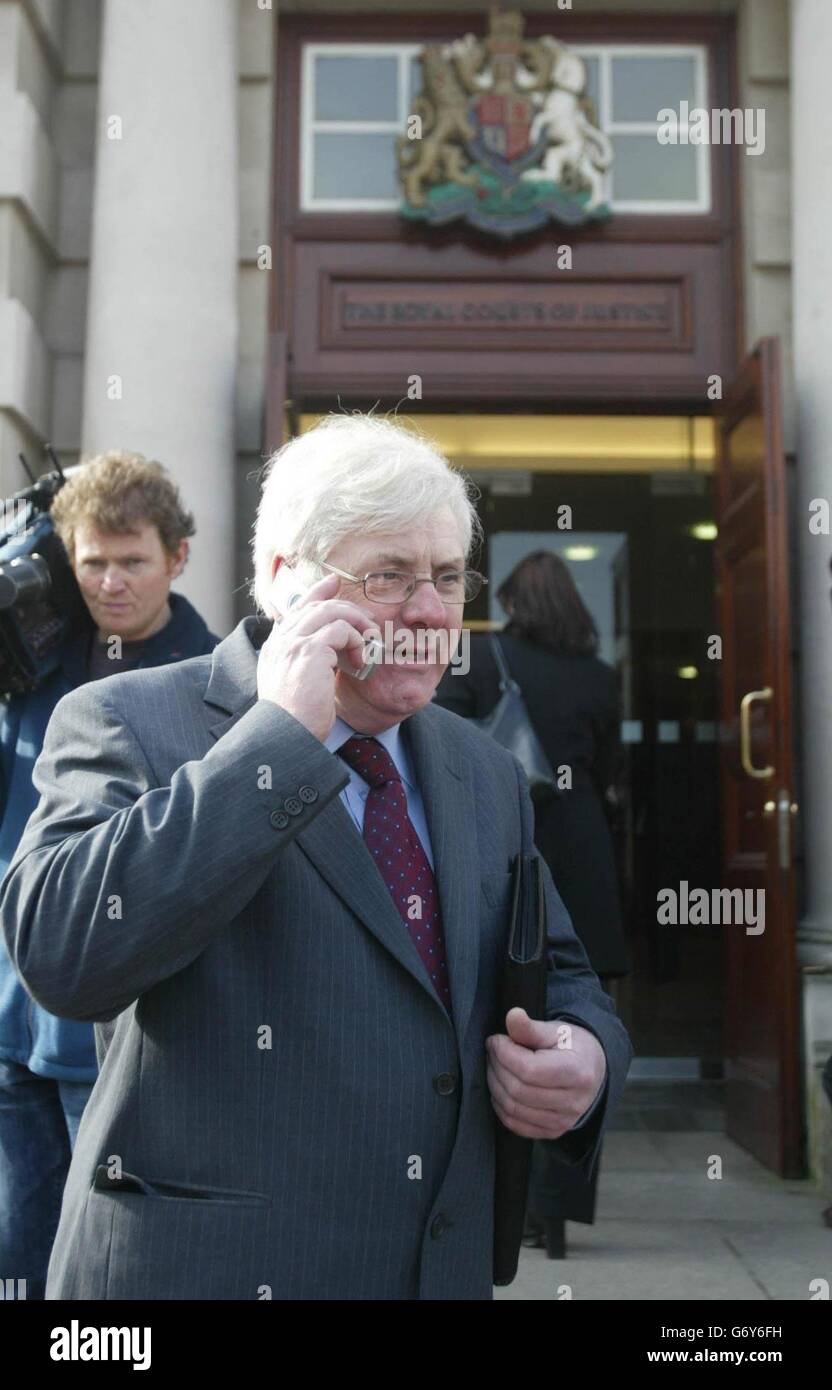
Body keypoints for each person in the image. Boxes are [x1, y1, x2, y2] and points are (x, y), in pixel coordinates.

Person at [0, 414, 631, 1301]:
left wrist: (587, 1057)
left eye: (447, 578)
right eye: (388, 576)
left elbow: (562, 972)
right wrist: (275, 747)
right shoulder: (127, 721)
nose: (426, 609)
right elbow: (64, 957)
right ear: (281, 579)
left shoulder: (482, 768)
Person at [0, 450, 217, 1299]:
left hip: (129, 1030)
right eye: (92, 562)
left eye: (133, 561)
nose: (112, 582)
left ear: (177, 556)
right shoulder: (33, 661)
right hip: (15, 1017)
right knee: (19, 1251)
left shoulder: (214, 678)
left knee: (114, 1268)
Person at [435, 549, 631, 1257]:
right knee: (579, 1026)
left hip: (508, 846)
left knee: (509, 1019)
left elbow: (441, 742)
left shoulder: (480, 657)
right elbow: (612, 770)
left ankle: (511, 1203)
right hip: (581, 850)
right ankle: (559, 1215)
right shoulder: (601, 677)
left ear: (514, 602)